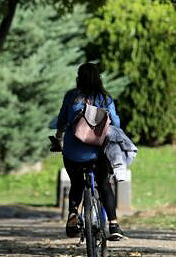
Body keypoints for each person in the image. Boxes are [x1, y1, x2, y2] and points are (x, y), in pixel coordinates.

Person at [55, 62, 125, 241]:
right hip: (98, 153)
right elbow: (116, 123)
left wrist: (59, 137)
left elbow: (61, 120)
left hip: (73, 153)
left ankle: (72, 215)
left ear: (78, 78)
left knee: (76, 184)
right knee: (104, 184)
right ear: (98, 79)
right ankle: (114, 225)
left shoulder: (71, 96)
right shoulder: (105, 98)